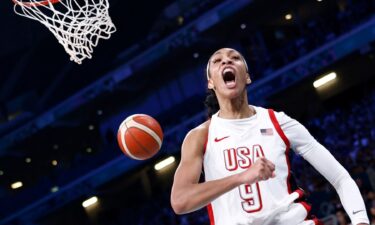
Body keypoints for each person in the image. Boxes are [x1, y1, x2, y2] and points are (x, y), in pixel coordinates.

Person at [170, 48, 370, 225]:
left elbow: (340, 178)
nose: (226, 61)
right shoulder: (199, 136)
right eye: (217, 60)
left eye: (235, 57)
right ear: (211, 83)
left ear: (247, 77)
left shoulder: (278, 122)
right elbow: (180, 200)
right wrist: (241, 177)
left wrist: (360, 219)